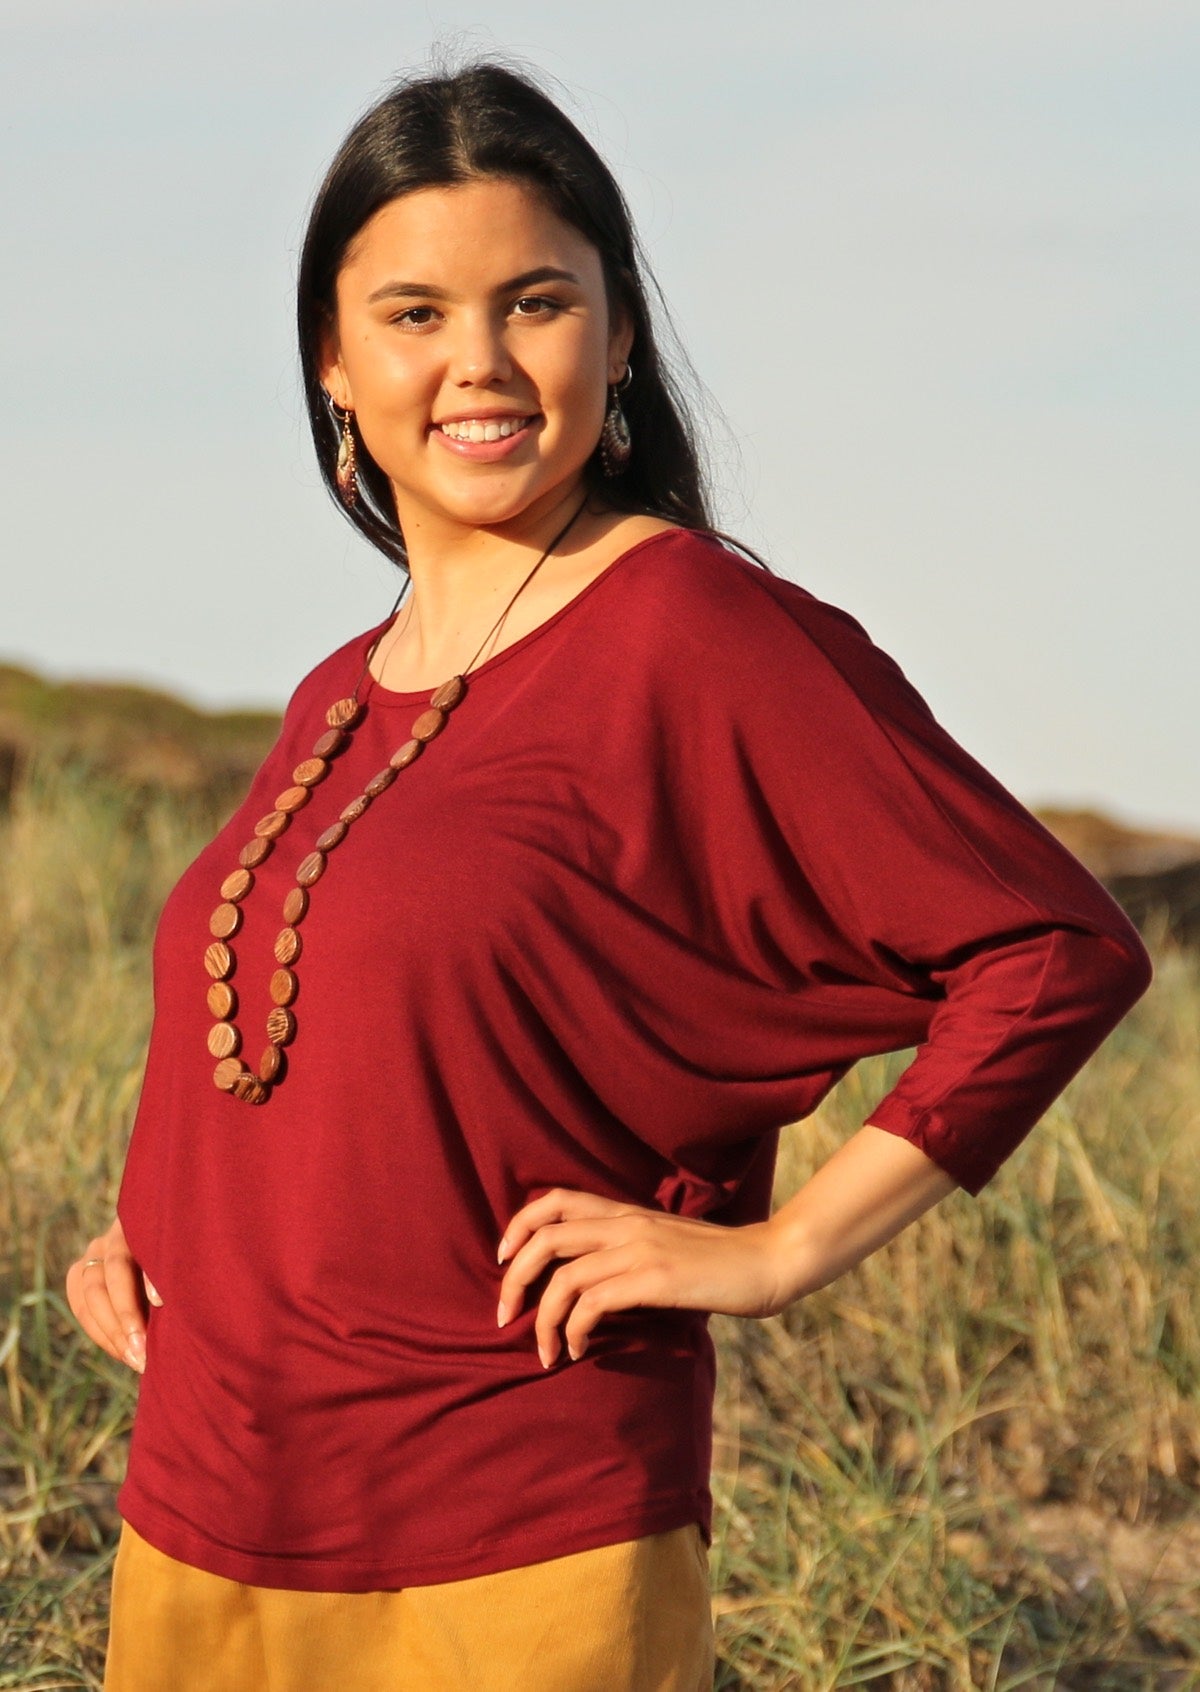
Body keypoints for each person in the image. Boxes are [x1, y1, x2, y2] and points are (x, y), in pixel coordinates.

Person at [67, 60, 1152, 1692]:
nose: (481, 364)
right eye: (416, 314)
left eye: (537, 302)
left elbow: (1054, 952)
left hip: (510, 1530)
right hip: (204, 1510)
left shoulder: (690, 629)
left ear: (621, 336)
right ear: (335, 365)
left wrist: (777, 1257)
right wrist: (150, 1229)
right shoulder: (336, 693)